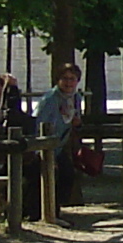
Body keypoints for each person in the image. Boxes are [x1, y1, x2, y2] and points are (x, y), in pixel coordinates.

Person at [35, 60, 86, 203]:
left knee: (68, 176)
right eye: (65, 78)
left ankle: (56, 210)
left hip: (60, 144)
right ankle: (47, 212)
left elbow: (75, 120)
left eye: (72, 79)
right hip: (46, 146)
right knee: (54, 176)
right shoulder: (50, 99)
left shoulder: (75, 98)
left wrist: (77, 123)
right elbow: (38, 124)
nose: (69, 83)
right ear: (58, 80)